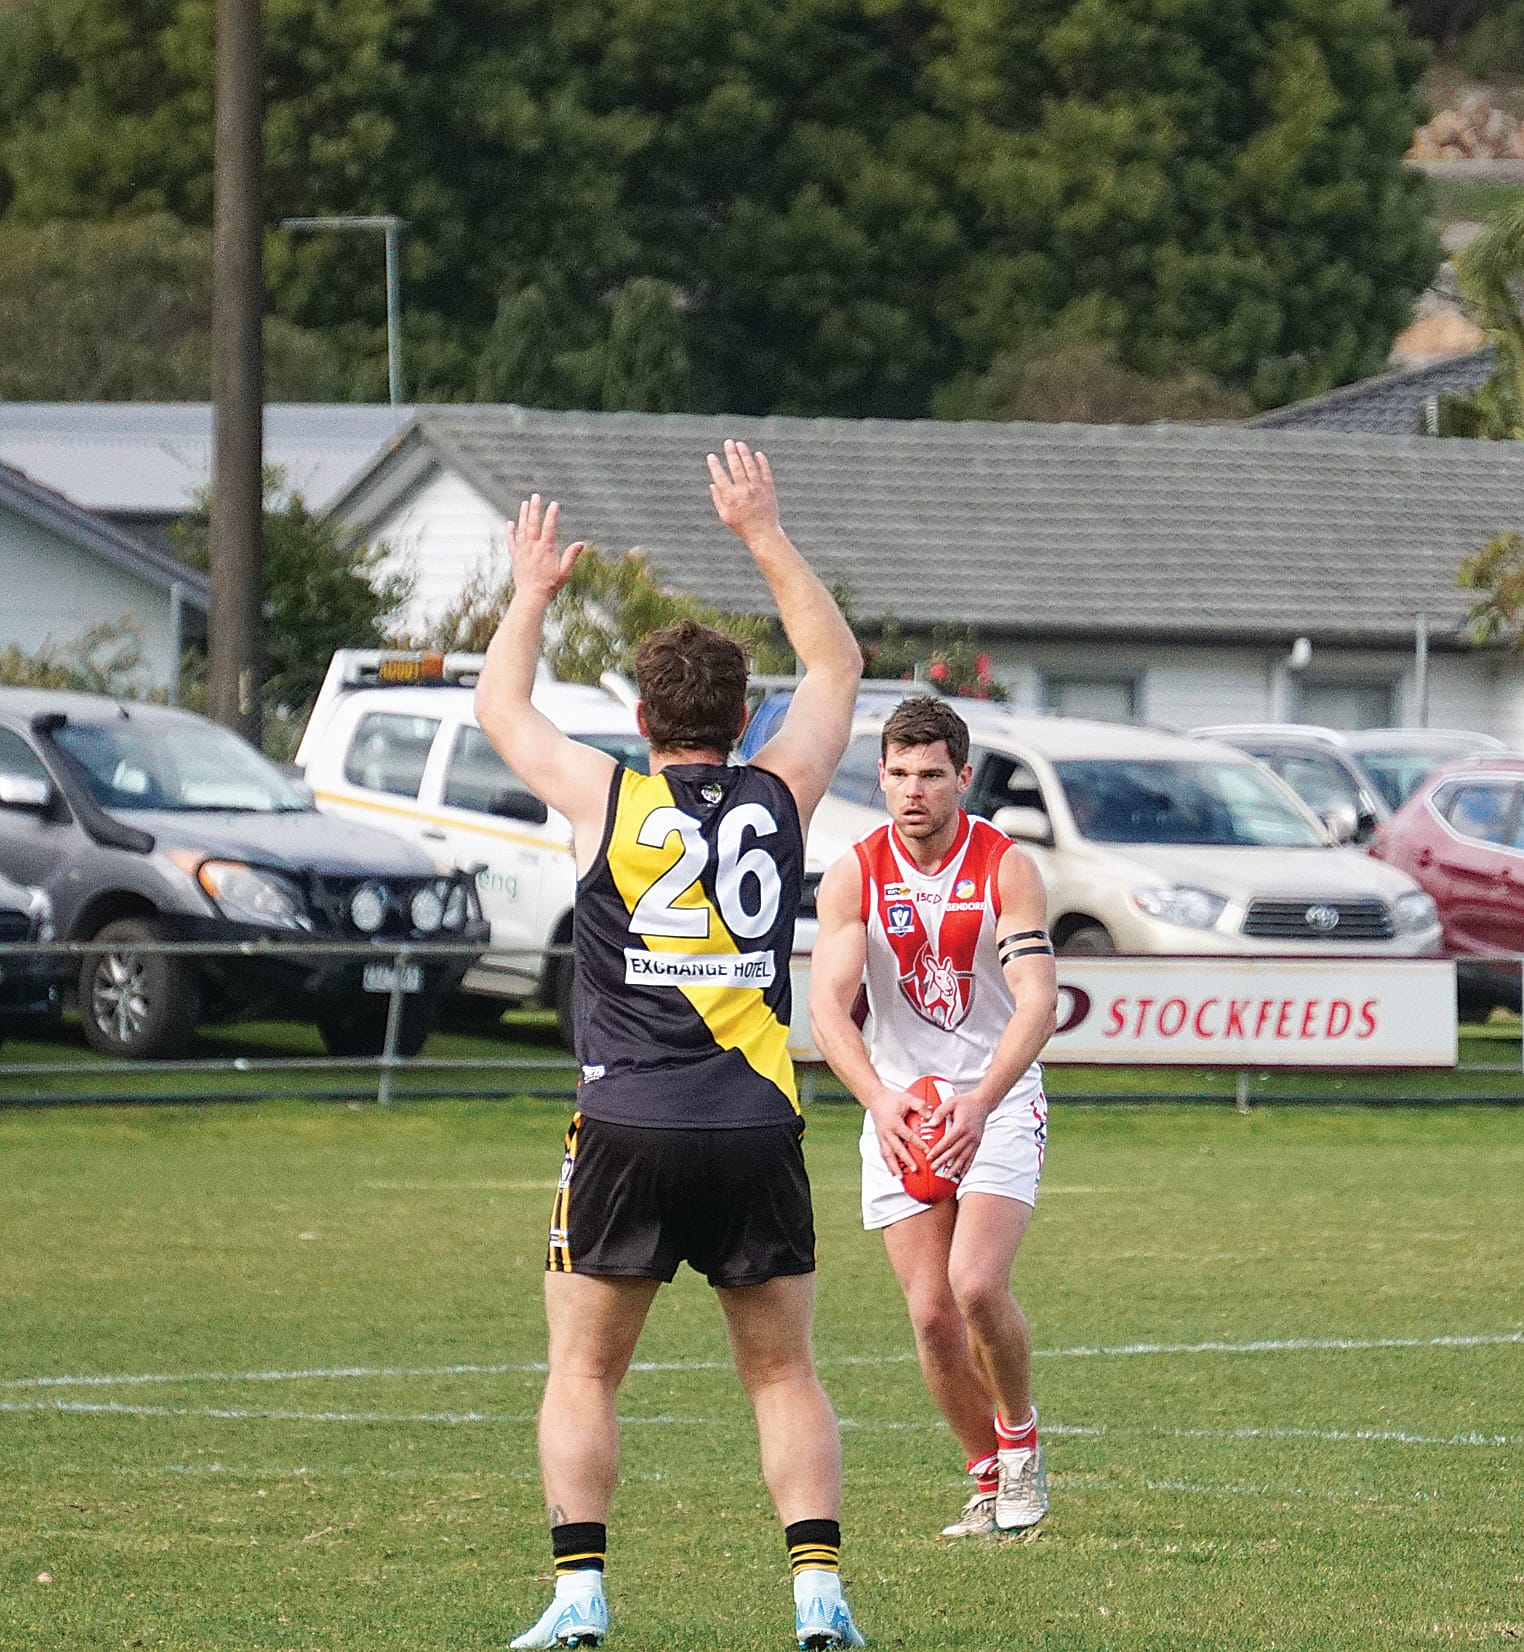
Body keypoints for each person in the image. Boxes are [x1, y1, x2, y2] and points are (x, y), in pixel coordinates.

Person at [474, 441, 867, 1651]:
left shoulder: (607, 798)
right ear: (746, 718)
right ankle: (816, 1596)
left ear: (642, 720)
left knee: (584, 1370)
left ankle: (581, 1593)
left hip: (630, 1120)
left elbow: (501, 708)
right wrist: (760, 529)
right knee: (782, 1372)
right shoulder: (780, 793)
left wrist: (534, 590)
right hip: (757, 1121)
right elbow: (839, 661)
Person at [808, 695, 1058, 1541]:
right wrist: (880, 1101)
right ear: (879, 776)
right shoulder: (854, 874)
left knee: (977, 1283)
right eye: (899, 774)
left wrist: (983, 1101)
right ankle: (987, 1476)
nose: (913, 791)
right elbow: (829, 1013)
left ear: (964, 778)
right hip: (903, 1110)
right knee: (930, 1315)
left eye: (931, 775)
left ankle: (1020, 1446)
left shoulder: (1005, 867)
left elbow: (1038, 1001)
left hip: (996, 1096)